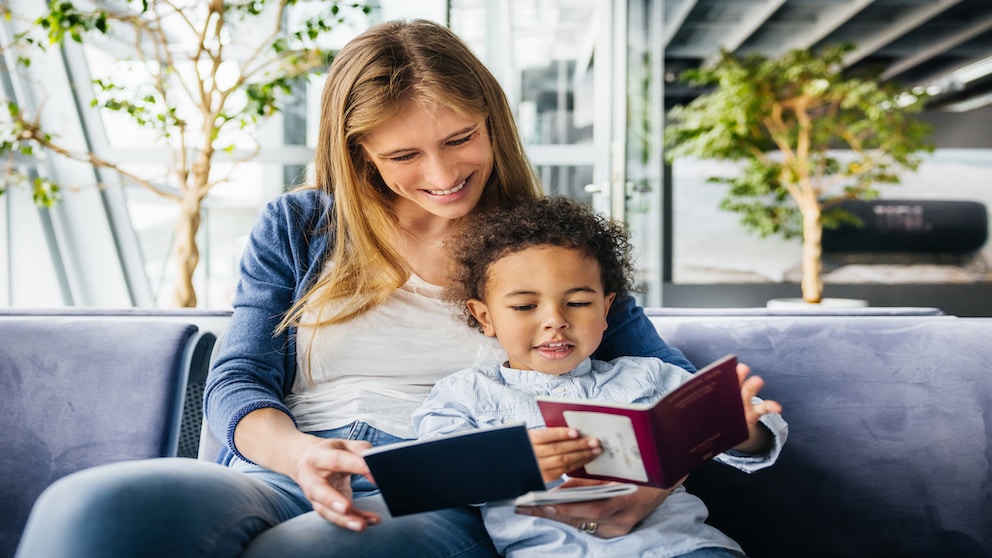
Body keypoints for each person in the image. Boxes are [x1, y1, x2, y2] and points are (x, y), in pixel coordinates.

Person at [14, 19, 700, 558]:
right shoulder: (299, 224)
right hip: (282, 468)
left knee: (322, 547)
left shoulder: (550, 249)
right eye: (404, 155)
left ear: (493, 121)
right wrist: (302, 456)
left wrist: (654, 486)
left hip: (439, 494)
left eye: (461, 138)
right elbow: (237, 382)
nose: (442, 173)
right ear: (358, 153)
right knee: (94, 507)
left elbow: (685, 401)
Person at [413, 196, 788, 557]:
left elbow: (759, 436)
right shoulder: (464, 394)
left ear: (607, 308)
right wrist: (515, 462)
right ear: (485, 317)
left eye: (578, 303)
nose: (556, 320)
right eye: (526, 306)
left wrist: (739, 425)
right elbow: (435, 477)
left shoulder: (648, 376)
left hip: (681, 548)